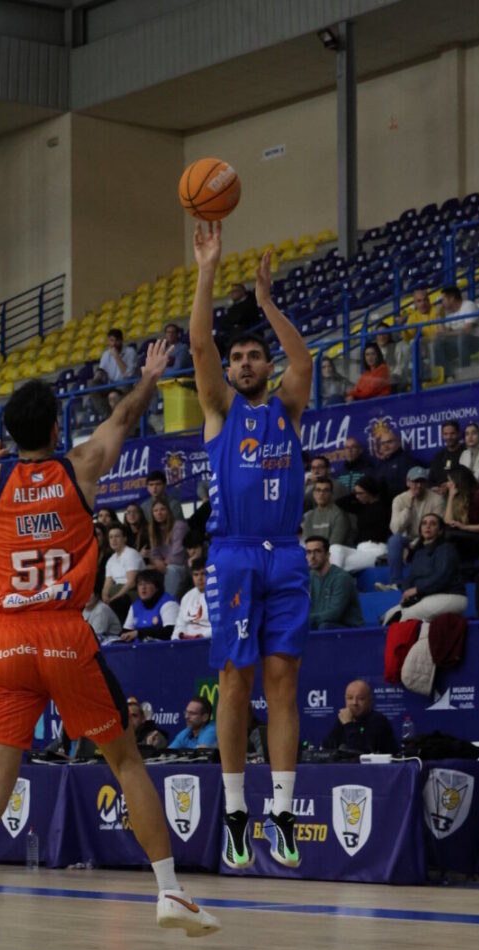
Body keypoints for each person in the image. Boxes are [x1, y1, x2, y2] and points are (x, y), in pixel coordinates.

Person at [0, 342, 220, 950]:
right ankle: (169, 889)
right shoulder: (81, 466)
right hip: (65, 633)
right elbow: (123, 418)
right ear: (53, 429)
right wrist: (150, 377)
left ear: (10, 437)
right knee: (124, 759)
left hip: (6, 640)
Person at [190, 220, 312, 870]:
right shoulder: (219, 410)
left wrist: (267, 304)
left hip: (286, 554)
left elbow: (304, 362)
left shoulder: (287, 407)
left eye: (251, 357)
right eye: (238, 359)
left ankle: (282, 811)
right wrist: (208, 268)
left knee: (283, 681)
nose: (242, 364)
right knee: (235, 683)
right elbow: (200, 343)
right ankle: (236, 811)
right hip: (234, 553)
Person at [382, 514, 467, 624]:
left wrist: (417, 590)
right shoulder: (419, 553)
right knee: (388, 616)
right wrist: (406, 593)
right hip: (427, 597)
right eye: (424, 523)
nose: (427, 526)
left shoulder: (446, 549)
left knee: (405, 616)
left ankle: (401, 642)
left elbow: (442, 577)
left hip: (451, 596)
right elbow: (410, 579)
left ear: (440, 531)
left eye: (433, 524)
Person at [378, 467, 445, 590]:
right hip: (408, 540)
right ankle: (396, 583)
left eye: (422, 482)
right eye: (415, 482)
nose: (418, 486)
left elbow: (437, 529)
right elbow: (395, 529)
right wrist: (408, 508)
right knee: (394, 540)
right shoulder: (399, 500)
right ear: (408, 482)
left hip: (429, 540)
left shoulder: (437, 499)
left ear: (426, 483)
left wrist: (413, 546)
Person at [331, 476, 391, 572]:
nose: (357, 496)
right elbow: (339, 502)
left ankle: (330, 581)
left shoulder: (385, 507)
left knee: (344, 562)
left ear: (370, 492)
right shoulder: (361, 507)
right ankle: (334, 579)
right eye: (356, 493)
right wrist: (355, 493)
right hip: (359, 549)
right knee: (335, 548)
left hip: (377, 549)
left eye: (360, 493)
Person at [322, 680, 399, 756]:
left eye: (360, 698)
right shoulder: (344, 719)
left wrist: (349, 724)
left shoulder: (378, 720)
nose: (354, 702)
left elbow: (361, 752)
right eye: (350, 698)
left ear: (370, 701)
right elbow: (326, 747)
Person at [305, 536, 364, 629]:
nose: (312, 557)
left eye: (317, 551)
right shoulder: (309, 577)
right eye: (308, 552)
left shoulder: (341, 578)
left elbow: (334, 614)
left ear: (327, 555)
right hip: (321, 624)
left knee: (324, 626)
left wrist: (304, 619)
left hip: (350, 631)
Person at [433, 286, 479, 375]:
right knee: (438, 343)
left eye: (443, 300)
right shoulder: (449, 314)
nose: (442, 303)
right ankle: (446, 375)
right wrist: (438, 316)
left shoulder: (469, 306)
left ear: (452, 298)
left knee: (462, 337)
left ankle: (465, 372)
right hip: (462, 344)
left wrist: (445, 333)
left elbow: (467, 330)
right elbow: (443, 334)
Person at [443, 464, 479, 565]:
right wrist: (450, 496)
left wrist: (464, 527)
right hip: (465, 534)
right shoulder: (456, 496)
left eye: (449, 481)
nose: (447, 484)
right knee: (445, 532)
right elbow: (447, 521)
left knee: (449, 535)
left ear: (458, 481)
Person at [119, 567, 179, 642]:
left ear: (157, 587)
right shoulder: (135, 605)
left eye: (147, 583)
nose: (143, 588)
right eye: (140, 584)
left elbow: (170, 632)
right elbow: (126, 631)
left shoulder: (169, 603)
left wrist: (139, 633)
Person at [145, 498, 189, 596]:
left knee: (171, 570)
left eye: (162, 509)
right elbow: (154, 554)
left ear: (168, 511)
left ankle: (169, 602)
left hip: (182, 566)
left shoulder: (179, 526)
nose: (159, 513)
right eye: (155, 511)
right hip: (164, 566)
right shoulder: (153, 529)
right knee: (145, 571)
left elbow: (178, 555)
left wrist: (161, 564)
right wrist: (157, 562)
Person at [102, 523, 144, 623]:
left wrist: (113, 598)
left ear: (124, 538)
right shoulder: (111, 560)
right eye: (111, 537)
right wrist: (105, 597)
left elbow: (131, 582)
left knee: (118, 602)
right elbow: (107, 583)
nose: (113, 540)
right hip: (116, 592)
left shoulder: (131, 554)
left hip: (132, 592)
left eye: (117, 536)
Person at [371, 428, 420, 501]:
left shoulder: (407, 461)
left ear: (399, 442)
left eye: (389, 442)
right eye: (382, 443)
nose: (385, 446)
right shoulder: (380, 466)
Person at [300, 477, 351, 546]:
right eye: (318, 490)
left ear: (332, 494)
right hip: (311, 553)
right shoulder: (308, 516)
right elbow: (307, 542)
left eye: (326, 490)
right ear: (313, 493)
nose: (321, 494)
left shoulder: (339, 515)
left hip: (331, 554)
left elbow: (335, 544)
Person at [172, 559, 211, 640]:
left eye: (203, 574)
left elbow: (220, 626)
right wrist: (176, 638)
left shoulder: (218, 595)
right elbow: (180, 624)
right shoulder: (187, 597)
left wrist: (202, 636)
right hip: (187, 643)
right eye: (196, 575)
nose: (199, 578)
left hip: (208, 640)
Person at [217, 281, 261, 351]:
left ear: (242, 291)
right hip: (234, 332)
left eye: (234, 291)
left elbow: (243, 317)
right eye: (231, 292)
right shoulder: (231, 308)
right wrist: (234, 325)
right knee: (217, 339)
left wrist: (235, 324)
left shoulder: (250, 302)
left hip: (249, 330)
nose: (232, 294)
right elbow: (224, 323)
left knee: (237, 332)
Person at [427, 421, 464, 491]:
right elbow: (430, 482)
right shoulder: (438, 457)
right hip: (440, 497)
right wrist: (436, 489)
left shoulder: (466, 452)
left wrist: (449, 486)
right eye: (446, 434)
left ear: (458, 434)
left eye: (452, 433)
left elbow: (468, 478)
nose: (449, 437)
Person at [375, 320, 411, 387]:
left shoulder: (397, 347)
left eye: (384, 333)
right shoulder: (373, 350)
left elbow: (400, 367)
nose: (382, 337)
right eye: (379, 334)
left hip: (393, 382)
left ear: (389, 335)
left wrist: (390, 377)